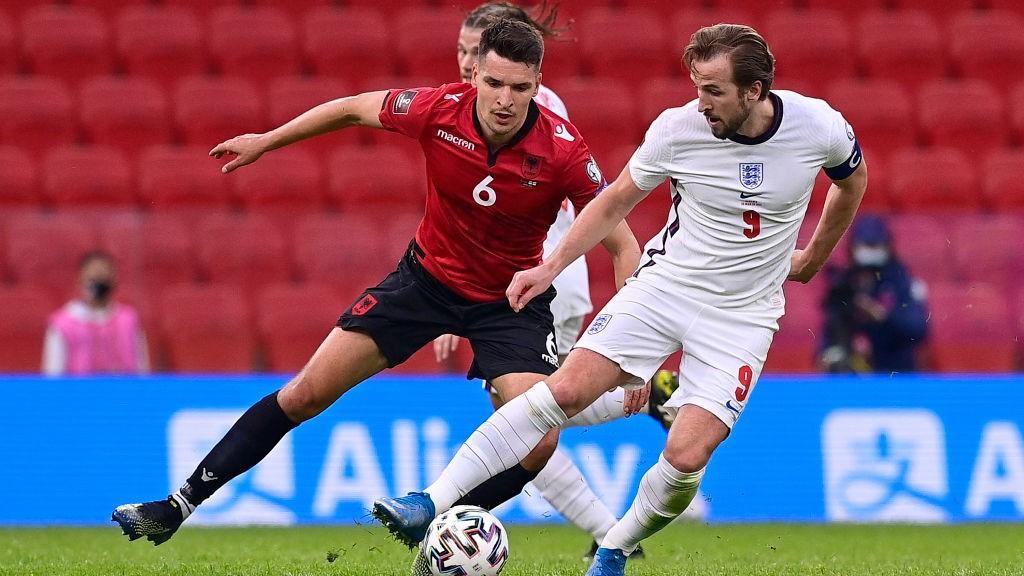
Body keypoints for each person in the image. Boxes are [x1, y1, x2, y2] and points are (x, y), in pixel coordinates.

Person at [111, 19, 640, 547]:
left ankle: (437, 520)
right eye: (495, 83)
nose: (505, 100)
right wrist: (267, 141)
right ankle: (175, 506)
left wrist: (629, 343)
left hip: (509, 304)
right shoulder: (438, 109)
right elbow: (348, 109)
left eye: (520, 88)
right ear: (475, 73)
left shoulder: (563, 150)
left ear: (538, 82)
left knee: (539, 441)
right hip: (426, 281)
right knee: (304, 394)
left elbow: (622, 244)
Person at [372, 23, 869, 576]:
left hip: (744, 315)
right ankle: (429, 501)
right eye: (696, 86)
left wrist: (812, 258)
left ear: (753, 91)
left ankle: (614, 547)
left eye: (712, 90)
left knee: (686, 459)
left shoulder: (817, 127)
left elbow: (852, 183)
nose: (699, 102)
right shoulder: (677, 130)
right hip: (665, 286)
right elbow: (612, 204)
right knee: (561, 391)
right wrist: (550, 266)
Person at [423, 2, 677, 561]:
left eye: (475, 50)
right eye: (462, 51)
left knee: (528, 423)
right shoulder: (489, 100)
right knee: (531, 417)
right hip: (520, 283)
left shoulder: (523, 107)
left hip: (538, 284)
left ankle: (612, 532)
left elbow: (583, 207)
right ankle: (642, 429)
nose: (467, 62)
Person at [818, 214, 928, 373]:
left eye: (875, 244)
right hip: (853, 376)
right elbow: (829, 333)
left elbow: (917, 329)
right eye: (865, 244)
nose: (869, 251)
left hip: (896, 371)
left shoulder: (900, 280)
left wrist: (880, 314)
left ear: (887, 245)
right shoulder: (845, 283)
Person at [43, 250, 149, 376]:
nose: (98, 285)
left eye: (103, 278)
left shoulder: (129, 320)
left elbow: (142, 371)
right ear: (80, 279)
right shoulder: (62, 324)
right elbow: (53, 375)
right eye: (93, 279)